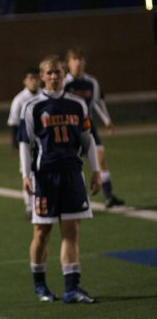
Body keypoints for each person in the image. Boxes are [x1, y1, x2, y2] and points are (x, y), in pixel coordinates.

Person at [18, 54, 102, 304]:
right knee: (42, 231)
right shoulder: (32, 106)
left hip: (72, 174)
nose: (54, 76)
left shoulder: (78, 104)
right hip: (45, 175)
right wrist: (24, 174)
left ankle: (71, 288)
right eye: (49, 72)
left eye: (58, 72)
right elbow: (25, 143)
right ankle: (40, 285)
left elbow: (88, 139)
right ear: (42, 76)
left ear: (64, 74)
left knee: (71, 230)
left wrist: (95, 169)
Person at [63, 46, 124, 209]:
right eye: (74, 59)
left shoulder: (92, 82)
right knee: (71, 165)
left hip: (88, 125)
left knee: (101, 159)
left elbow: (97, 102)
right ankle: (72, 198)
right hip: (69, 128)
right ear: (68, 63)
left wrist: (107, 120)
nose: (78, 63)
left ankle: (109, 196)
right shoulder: (64, 83)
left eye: (80, 59)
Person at [7, 67, 41, 218]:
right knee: (26, 171)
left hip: (42, 140)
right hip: (26, 141)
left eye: (36, 78)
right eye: (30, 78)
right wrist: (15, 144)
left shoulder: (43, 95)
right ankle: (29, 205)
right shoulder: (20, 99)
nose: (34, 81)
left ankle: (40, 202)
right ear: (25, 81)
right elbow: (13, 123)